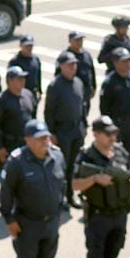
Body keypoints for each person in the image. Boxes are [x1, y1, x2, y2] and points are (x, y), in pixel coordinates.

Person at [73, 116, 130, 258]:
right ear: (95, 134)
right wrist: (94, 179)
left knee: (113, 253)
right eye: (108, 134)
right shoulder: (86, 156)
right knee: (96, 256)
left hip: (120, 213)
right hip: (98, 216)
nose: (112, 138)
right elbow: (74, 184)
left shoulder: (120, 152)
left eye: (114, 133)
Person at [0, 119, 66, 258]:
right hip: (28, 225)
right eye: (39, 138)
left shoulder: (58, 156)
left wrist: (59, 213)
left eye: (46, 137)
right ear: (27, 140)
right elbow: (6, 193)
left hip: (51, 224)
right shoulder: (17, 162)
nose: (45, 141)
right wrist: (9, 219)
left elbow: (63, 185)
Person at [45, 51, 86, 209]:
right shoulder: (55, 86)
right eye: (69, 65)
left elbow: (82, 106)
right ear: (61, 66)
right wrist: (51, 133)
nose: (73, 67)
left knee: (73, 166)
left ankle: (70, 195)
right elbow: (49, 112)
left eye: (74, 64)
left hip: (76, 130)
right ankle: (59, 197)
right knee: (62, 166)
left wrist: (84, 125)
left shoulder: (78, 83)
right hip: (62, 131)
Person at [99, 47, 130, 151]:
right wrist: (107, 127)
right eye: (123, 61)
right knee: (117, 152)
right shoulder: (109, 82)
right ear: (115, 63)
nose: (127, 64)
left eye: (128, 61)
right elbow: (104, 108)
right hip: (117, 124)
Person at [0, 66, 36, 167]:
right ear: (10, 81)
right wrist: (0, 147)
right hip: (10, 144)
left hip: (27, 143)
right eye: (19, 79)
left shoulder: (28, 95)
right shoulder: (1, 100)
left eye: (23, 78)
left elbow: (33, 117)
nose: (23, 81)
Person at [57, 31, 97, 120]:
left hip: (86, 91)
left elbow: (91, 70)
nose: (80, 42)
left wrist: (94, 86)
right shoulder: (65, 56)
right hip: (72, 91)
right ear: (70, 41)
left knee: (85, 113)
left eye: (81, 40)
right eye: (77, 40)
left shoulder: (86, 54)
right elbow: (58, 75)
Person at [8, 34, 42, 103]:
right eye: (27, 46)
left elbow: (38, 76)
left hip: (33, 93)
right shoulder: (15, 61)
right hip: (20, 94)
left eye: (31, 46)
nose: (29, 48)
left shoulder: (36, 59)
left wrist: (39, 91)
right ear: (21, 45)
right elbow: (10, 79)